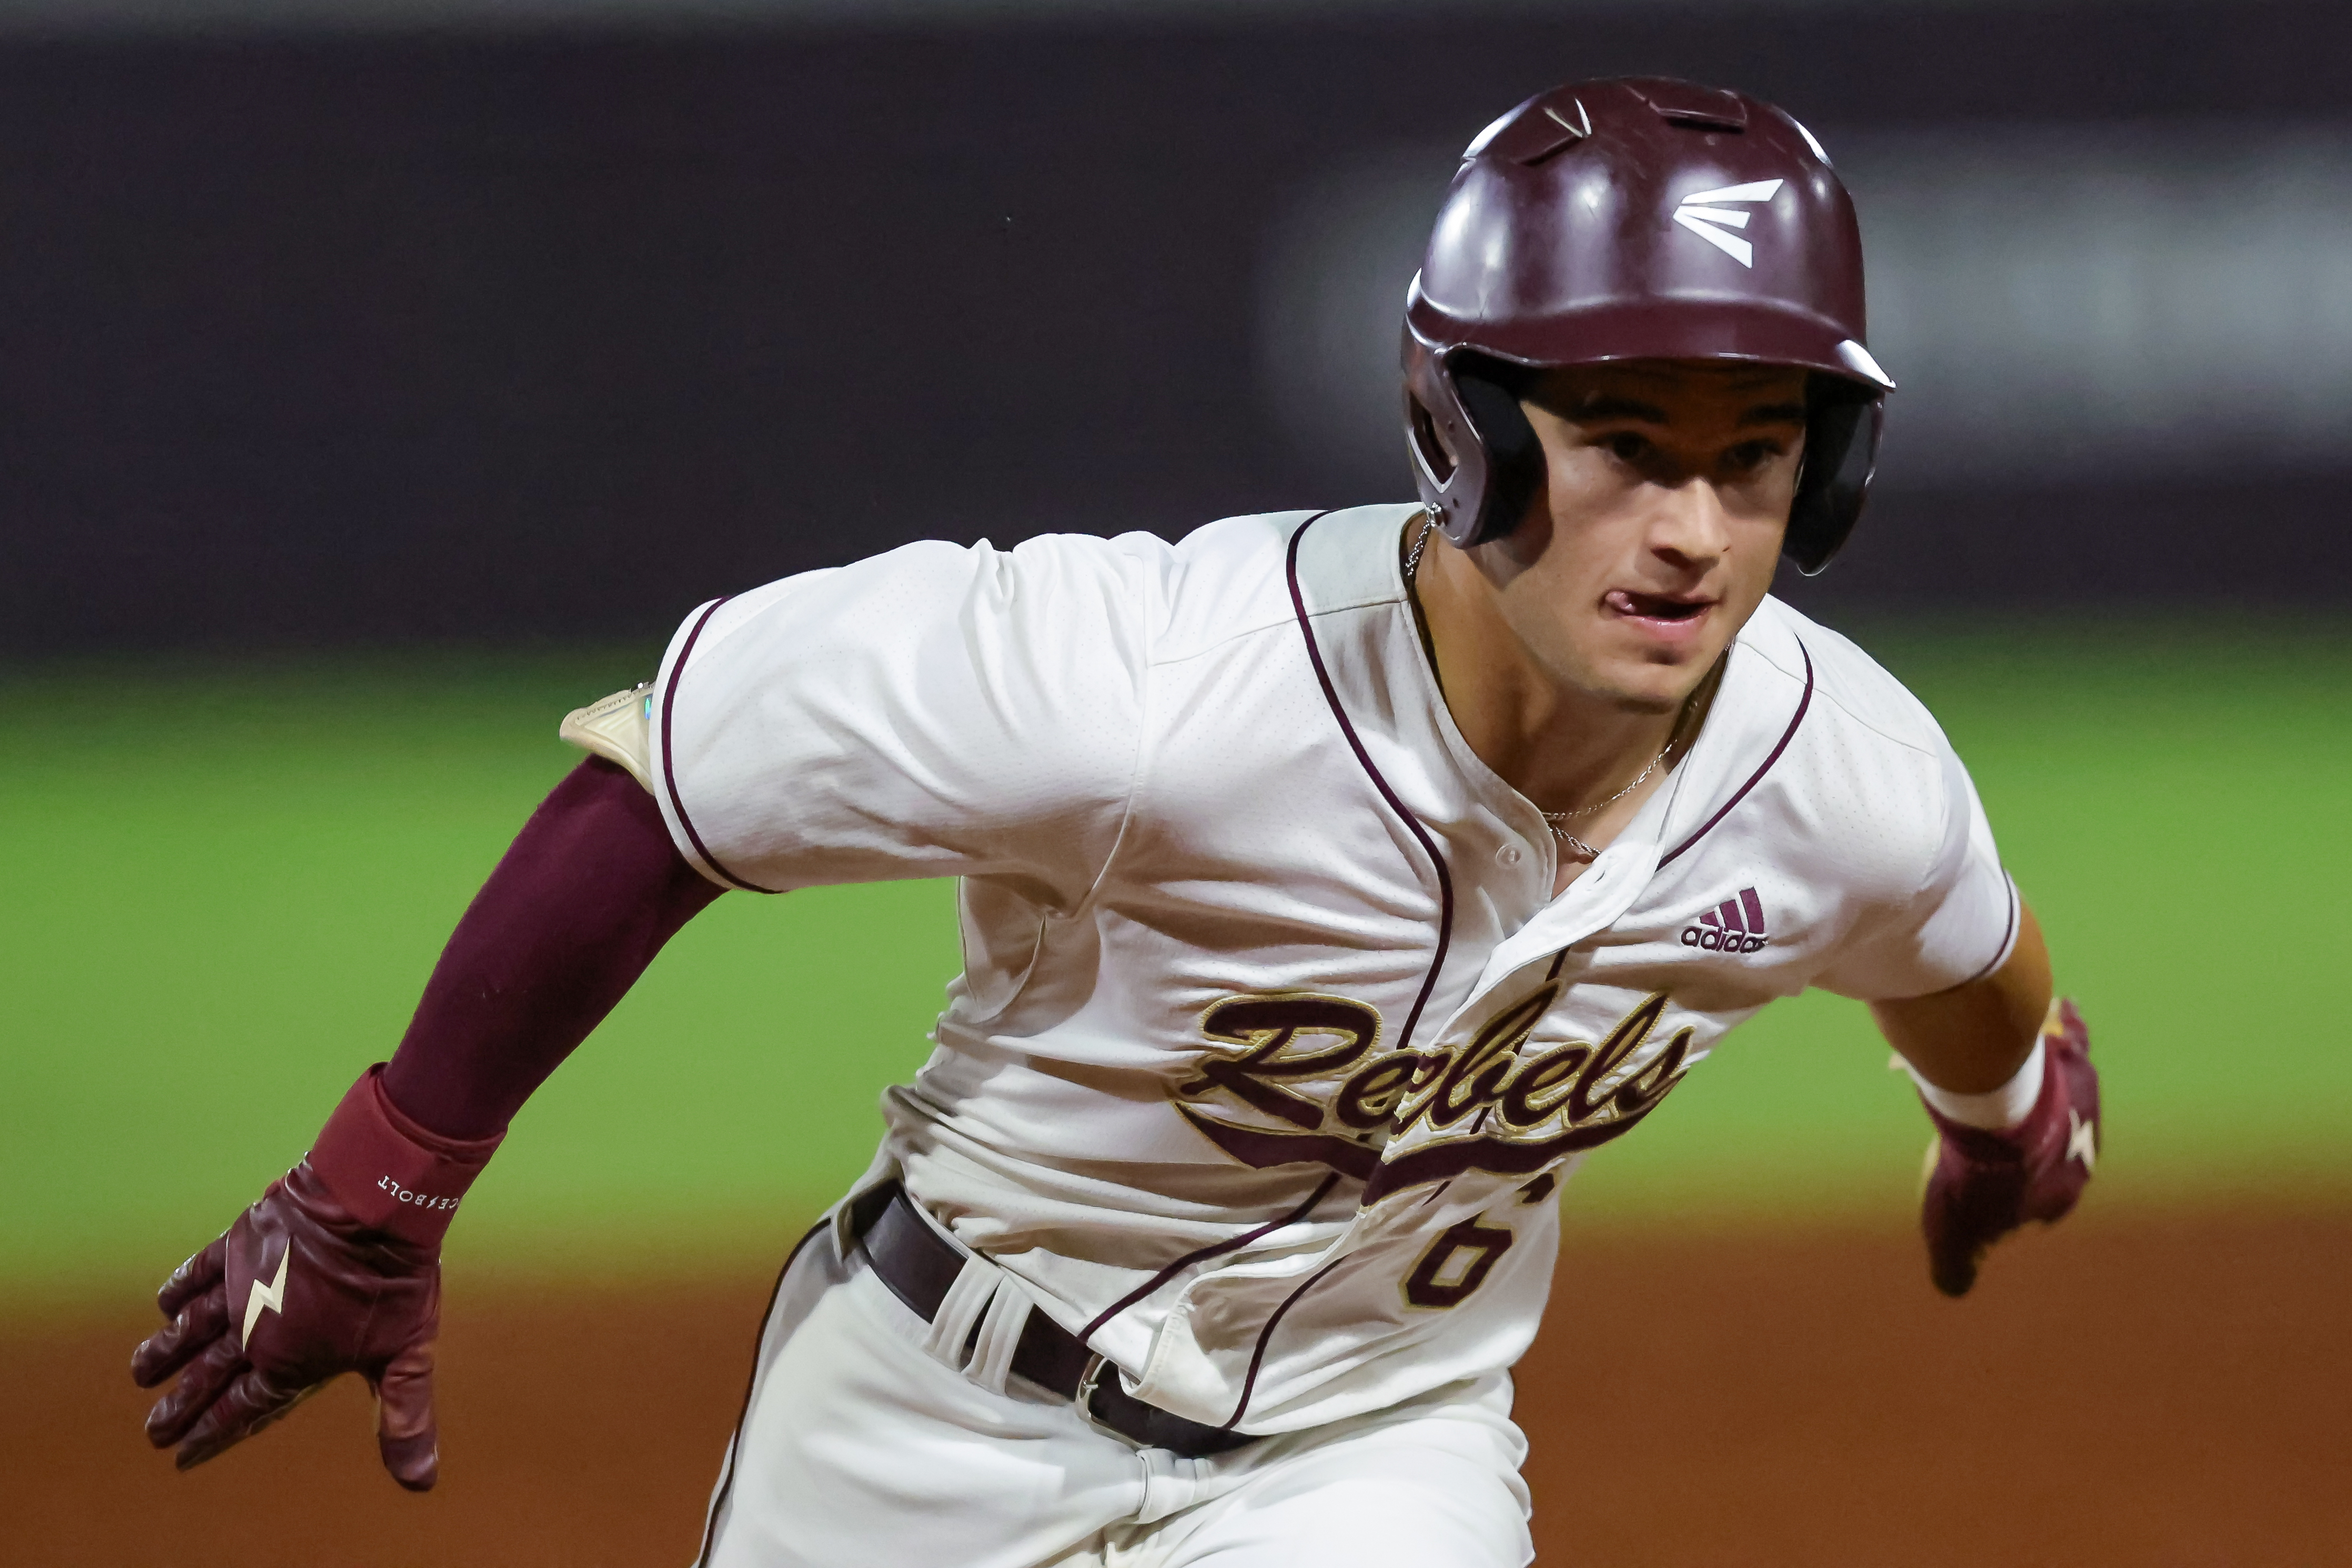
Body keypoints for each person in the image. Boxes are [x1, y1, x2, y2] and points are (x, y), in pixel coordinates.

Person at [131, 76, 2098, 1568]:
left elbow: (1965, 951)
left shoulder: (1841, 768)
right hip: (921, 1418)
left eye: (1754, 463)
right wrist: (373, 1191)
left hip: (1372, 1459)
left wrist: (1999, 1121)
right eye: (1622, 449)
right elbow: (679, 781)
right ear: (1471, 431)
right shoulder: (1146, 680)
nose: (1689, 530)